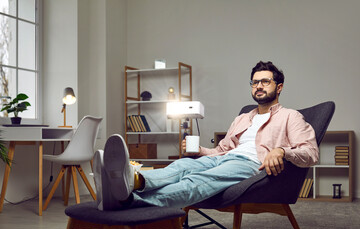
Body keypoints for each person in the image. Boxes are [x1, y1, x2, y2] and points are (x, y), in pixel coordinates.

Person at [93, 61, 319, 211]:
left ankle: (131, 202)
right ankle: (133, 180)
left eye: (265, 81)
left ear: (278, 87)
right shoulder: (242, 118)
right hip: (224, 159)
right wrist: (201, 152)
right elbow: (222, 151)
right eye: (255, 82)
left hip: (252, 165)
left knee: (197, 181)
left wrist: (281, 151)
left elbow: (310, 153)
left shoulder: (291, 116)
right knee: (182, 166)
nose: (258, 86)